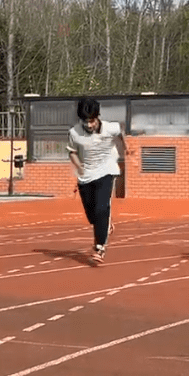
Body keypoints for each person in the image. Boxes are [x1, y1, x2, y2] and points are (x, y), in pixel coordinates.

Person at [66, 97, 126, 264]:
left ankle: (100, 247)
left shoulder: (110, 128)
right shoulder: (74, 133)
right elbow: (71, 152)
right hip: (86, 175)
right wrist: (79, 167)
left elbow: (121, 132)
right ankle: (105, 224)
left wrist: (127, 149)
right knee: (93, 217)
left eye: (92, 121)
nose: (89, 125)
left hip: (107, 170)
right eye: (86, 122)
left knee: (101, 207)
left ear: (97, 117)